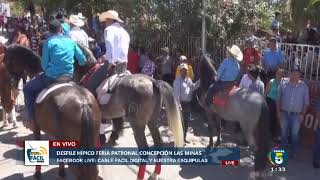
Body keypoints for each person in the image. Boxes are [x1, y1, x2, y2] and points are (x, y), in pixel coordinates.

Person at [22, 20, 86, 131]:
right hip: (69, 77)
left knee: (27, 88)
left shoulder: (48, 42)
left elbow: (44, 64)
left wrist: (48, 69)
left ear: (49, 31)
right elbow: (82, 60)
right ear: (61, 30)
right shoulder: (71, 42)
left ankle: (31, 119)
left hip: (52, 78)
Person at [277, 65, 310, 158]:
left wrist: (302, 114)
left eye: (297, 74)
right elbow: (278, 99)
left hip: (297, 115)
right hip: (284, 113)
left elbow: (306, 103)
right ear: (290, 74)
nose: (295, 75)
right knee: (283, 133)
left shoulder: (304, 87)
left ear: (300, 75)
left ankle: (294, 152)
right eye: (293, 73)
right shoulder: (283, 84)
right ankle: (282, 153)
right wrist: (278, 112)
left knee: (294, 134)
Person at [173, 63, 200, 142]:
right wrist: (179, 106)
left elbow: (193, 87)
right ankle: (179, 140)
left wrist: (200, 81)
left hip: (188, 104)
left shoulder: (188, 79)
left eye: (186, 70)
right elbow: (176, 95)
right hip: (181, 105)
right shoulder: (177, 81)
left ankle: (183, 138)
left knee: (186, 122)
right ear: (180, 71)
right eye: (183, 70)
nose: (184, 71)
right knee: (180, 124)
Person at [265, 68, 284, 141]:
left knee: (277, 120)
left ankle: (274, 135)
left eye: (281, 74)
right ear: (276, 74)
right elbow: (266, 93)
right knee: (270, 119)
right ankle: (268, 135)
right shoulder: (271, 82)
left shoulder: (283, 83)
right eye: (278, 73)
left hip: (279, 103)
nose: (280, 75)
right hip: (270, 101)